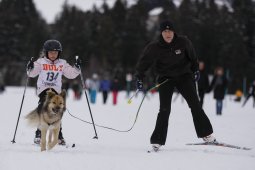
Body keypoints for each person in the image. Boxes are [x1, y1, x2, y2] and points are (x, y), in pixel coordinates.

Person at [135, 20, 216, 151]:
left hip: (184, 76)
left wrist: (195, 70)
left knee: (195, 104)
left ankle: (206, 134)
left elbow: (193, 56)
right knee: (164, 110)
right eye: (165, 31)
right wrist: (139, 78)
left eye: (170, 31)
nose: (168, 34)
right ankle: (157, 141)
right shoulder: (154, 47)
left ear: (174, 32)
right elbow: (143, 63)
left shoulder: (183, 42)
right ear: (161, 33)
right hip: (165, 78)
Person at [26, 39, 81, 145]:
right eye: (51, 52)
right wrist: (30, 68)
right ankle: (39, 133)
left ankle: (59, 134)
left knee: (58, 110)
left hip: (56, 90)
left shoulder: (62, 63)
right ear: (46, 52)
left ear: (59, 53)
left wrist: (77, 68)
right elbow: (32, 74)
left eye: (55, 52)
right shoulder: (40, 62)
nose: (53, 55)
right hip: (44, 89)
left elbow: (70, 74)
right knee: (44, 106)